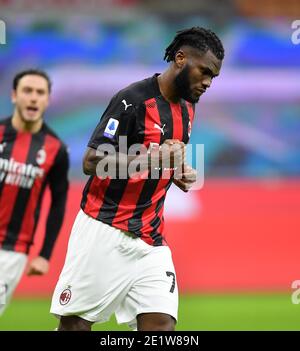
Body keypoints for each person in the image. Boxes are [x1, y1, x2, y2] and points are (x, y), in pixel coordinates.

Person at [51, 27, 224, 331]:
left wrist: (183, 171)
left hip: (150, 239)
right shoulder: (132, 100)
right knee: (75, 326)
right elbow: (91, 161)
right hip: (104, 229)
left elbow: (172, 155)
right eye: (205, 72)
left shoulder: (188, 106)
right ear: (181, 59)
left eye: (213, 77)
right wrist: (150, 160)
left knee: (161, 327)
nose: (208, 82)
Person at [0, 69, 69, 315]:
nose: (33, 98)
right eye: (27, 91)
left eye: (40, 93)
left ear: (47, 100)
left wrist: (45, 254)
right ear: (14, 96)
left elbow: (58, 203)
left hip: (12, 250)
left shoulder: (56, 148)